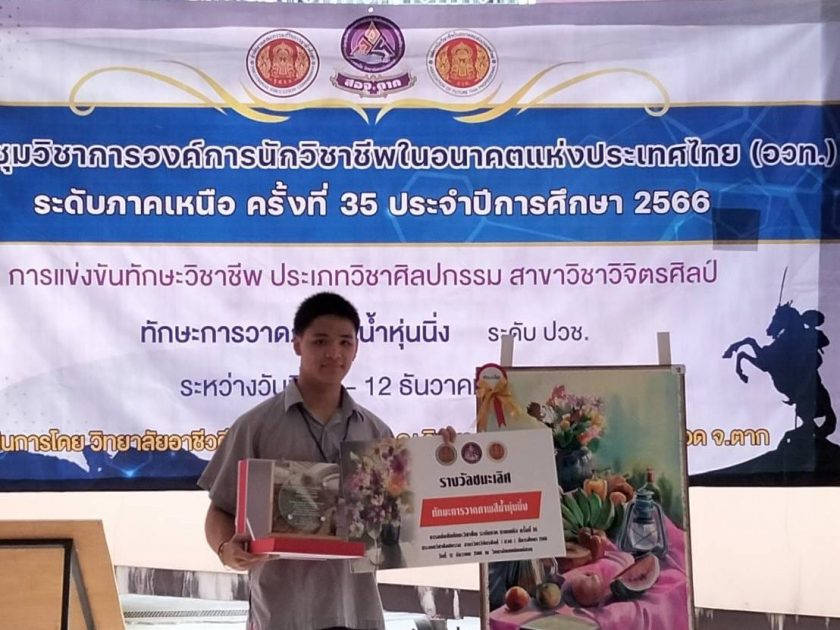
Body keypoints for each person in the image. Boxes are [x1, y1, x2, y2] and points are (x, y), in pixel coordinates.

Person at [198, 292, 394, 630]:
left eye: (345, 342)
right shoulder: (256, 426)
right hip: (281, 612)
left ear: (356, 349)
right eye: (320, 341)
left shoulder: (376, 432)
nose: (334, 353)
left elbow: (395, 523)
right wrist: (225, 549)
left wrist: (441, 456)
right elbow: (220, 509)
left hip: (356, 610)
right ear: (297, 344)